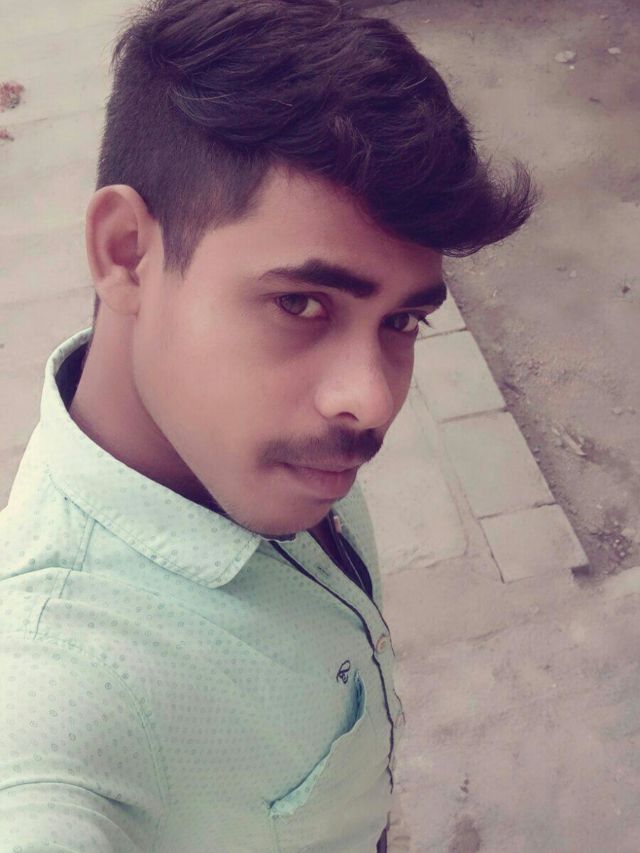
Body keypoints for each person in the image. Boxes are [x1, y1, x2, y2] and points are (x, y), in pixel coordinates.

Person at [0, 0, 536, 849]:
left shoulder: (264, 450)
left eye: (403, 320)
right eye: (301, 304)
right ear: (126, 252)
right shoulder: (57, 689)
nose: (371, 399)